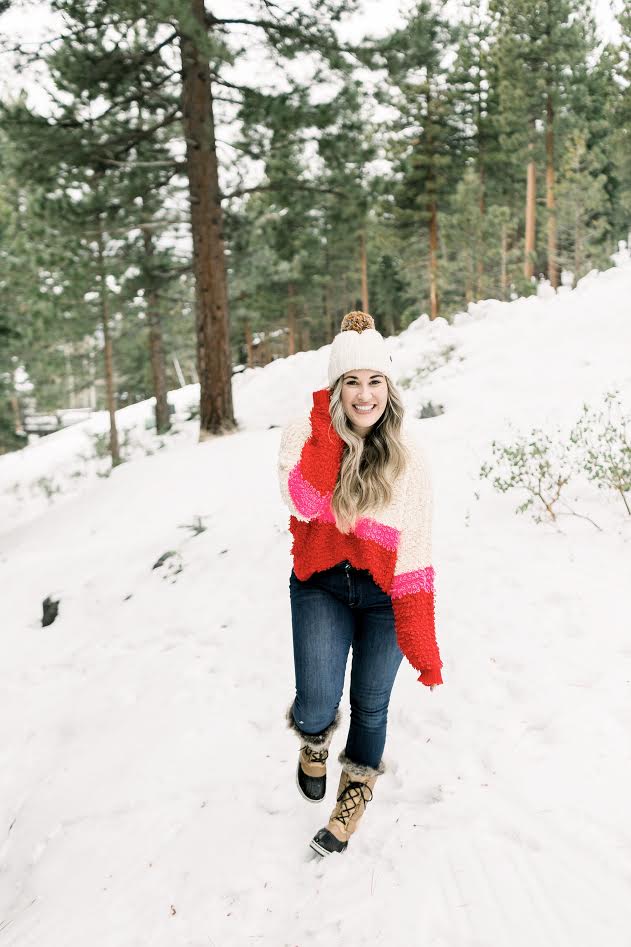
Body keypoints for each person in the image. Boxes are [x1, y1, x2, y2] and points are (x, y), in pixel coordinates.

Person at [277, 310, 443, 857]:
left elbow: (415, 551)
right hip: (322, 581)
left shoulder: (409, 460)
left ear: (389, 389)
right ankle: (313, 740)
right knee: (317, 701)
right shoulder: (307, 432)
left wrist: (421, 636)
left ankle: (352, 800)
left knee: (372, 704)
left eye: (375, 381)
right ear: (336, 388)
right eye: (352, 381)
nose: (365, 394)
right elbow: (300, 499)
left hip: (383, 597)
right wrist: (330, 436)